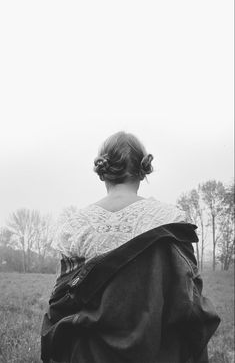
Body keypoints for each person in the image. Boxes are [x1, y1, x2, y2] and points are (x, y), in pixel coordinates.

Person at [41, 131, 220, 363]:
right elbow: (189, 298)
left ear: (102, 172)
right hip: (159, 351)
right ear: (142, 171)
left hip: (89, 354)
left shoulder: (74, 226)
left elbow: (60, 304)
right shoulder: (172, 219)